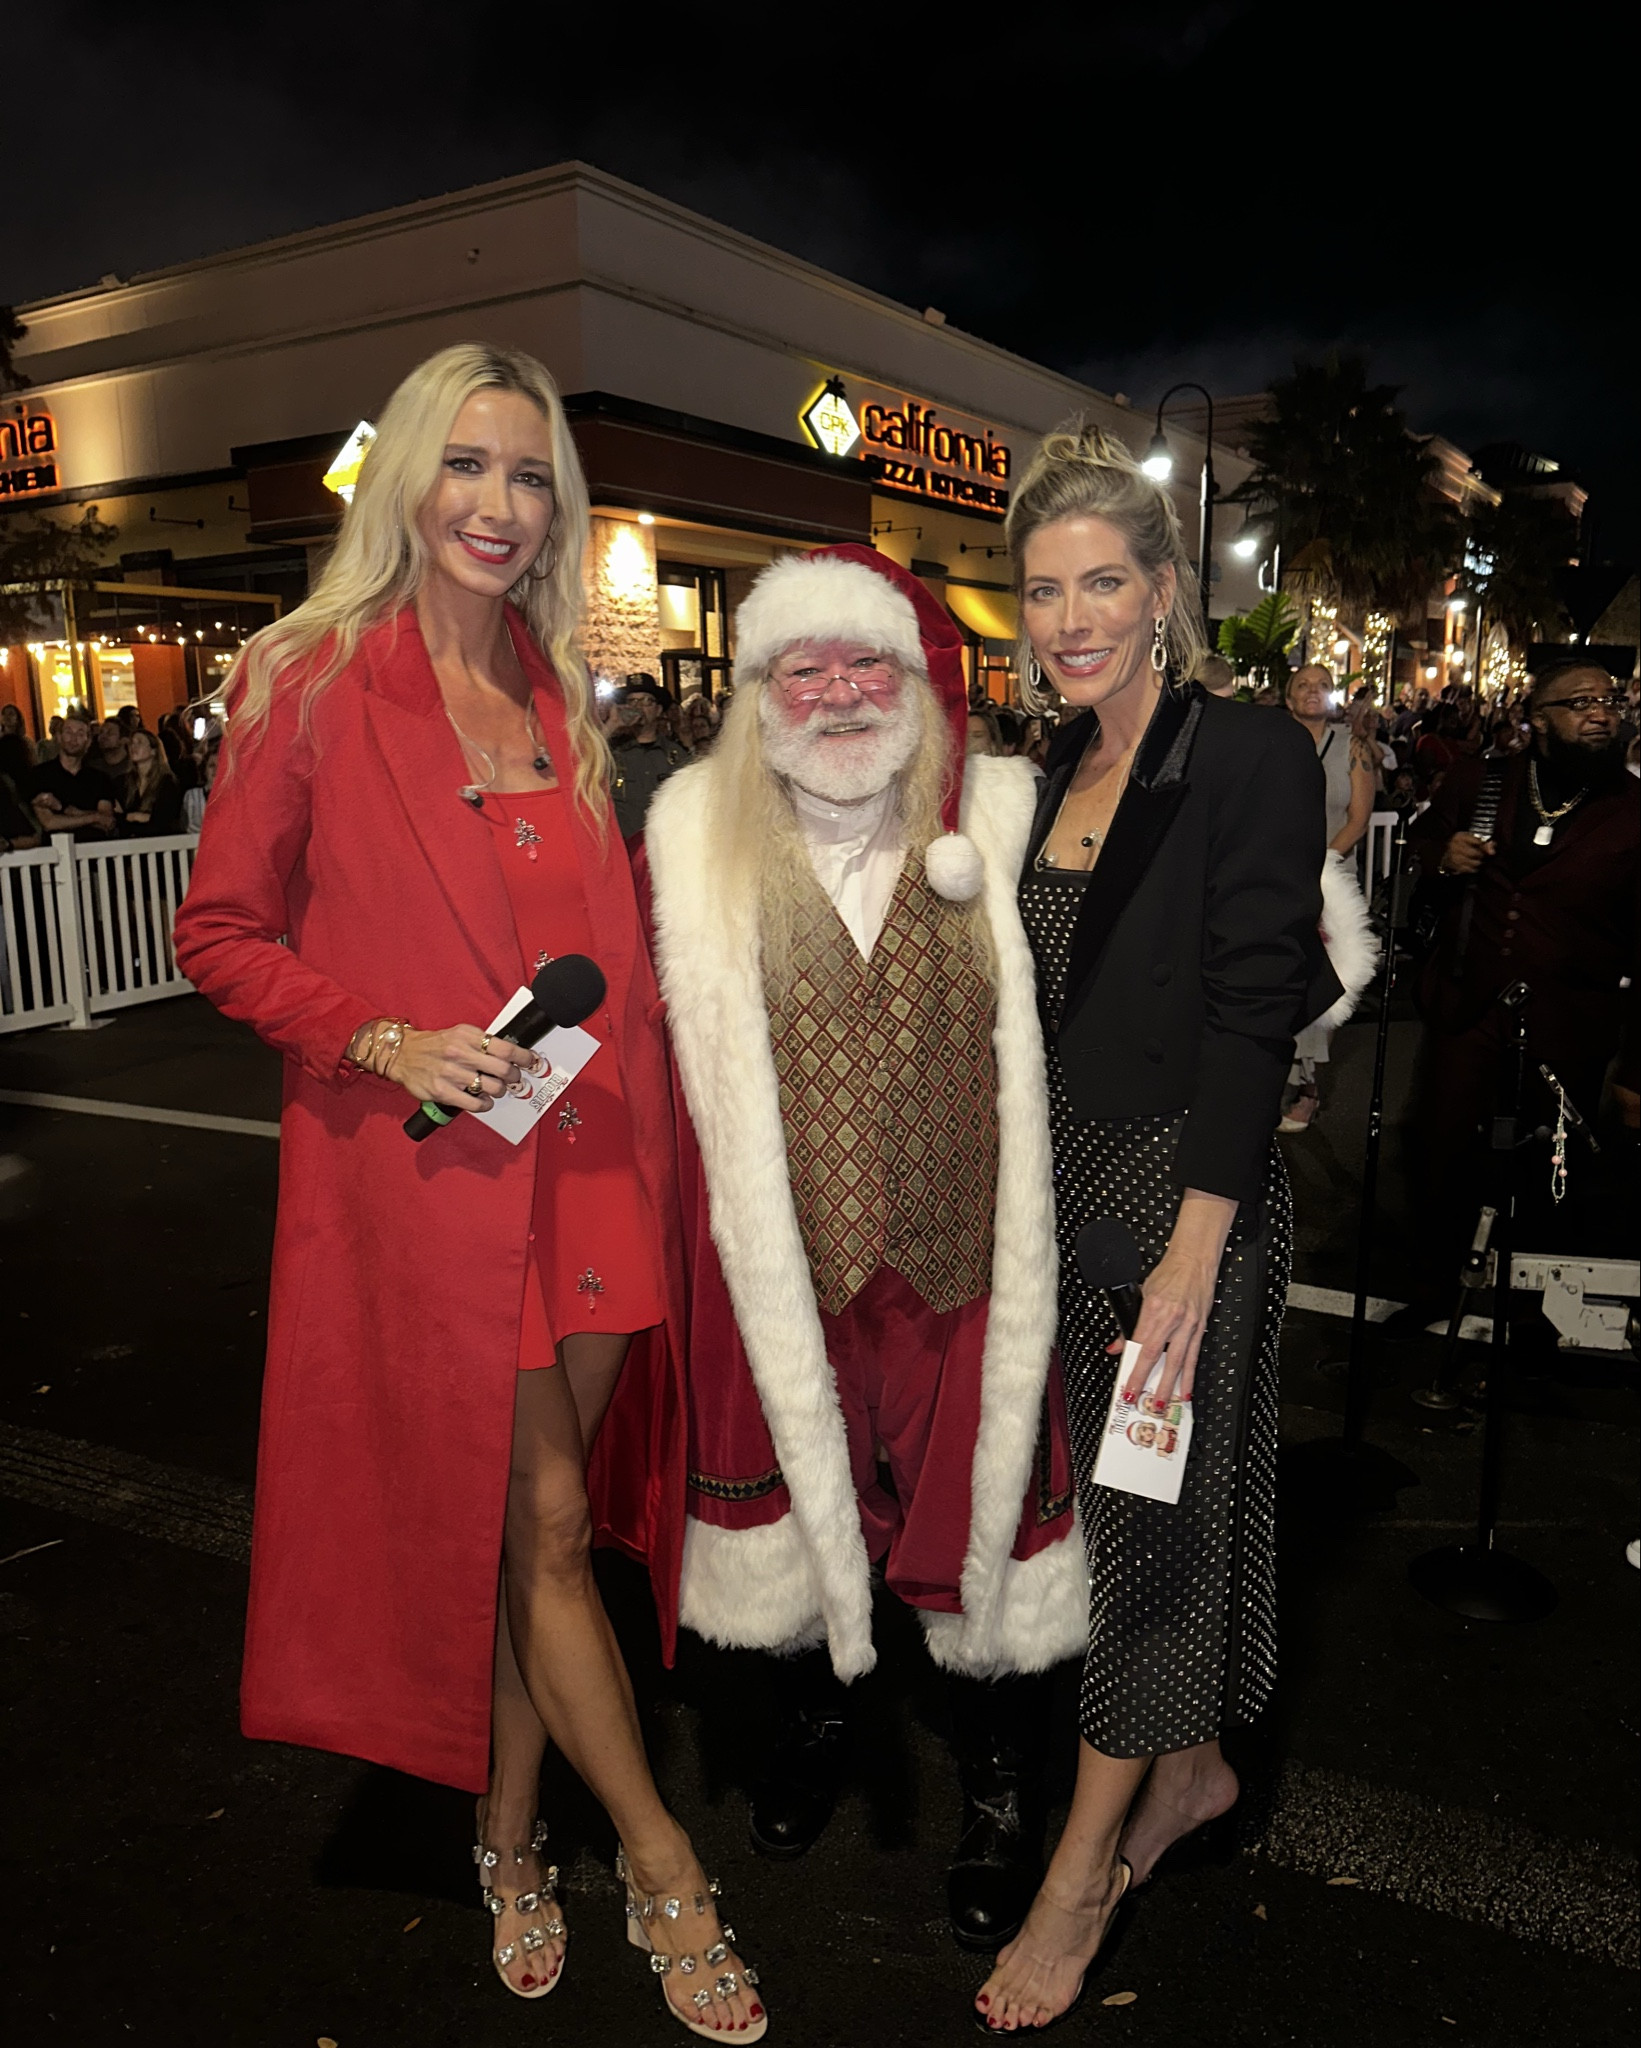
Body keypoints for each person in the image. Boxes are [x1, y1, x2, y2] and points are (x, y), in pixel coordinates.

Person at [172, 343, 766, 2039]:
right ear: (408, 480)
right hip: (439, 1193)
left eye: (530, 477)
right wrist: (376, 1033)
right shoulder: (307, 680)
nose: (500, 507)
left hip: (594, 1170)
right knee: (555, 1525)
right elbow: (215, 934)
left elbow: (616, 956)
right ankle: (662, 1866)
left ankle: (506, 1836)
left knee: (539, 1537)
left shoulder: (560, 691)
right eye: (470, 468)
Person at [641, 546, 1085, 1956]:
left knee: (987, 1526)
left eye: (865, 664)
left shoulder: (1006, 814)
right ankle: (819, 1714)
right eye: (803, 668)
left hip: (964, 1257)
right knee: (790, 1508)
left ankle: (1003, 1776)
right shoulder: (688, 831)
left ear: (916, 680)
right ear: (759, 689)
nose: (837, 694)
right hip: (786, 1256)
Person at [977, 424, 1337, 2033]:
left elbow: (1258, 1003)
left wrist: (1195, 1249)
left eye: (1103, 581)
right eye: (1044, 589)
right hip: (1063, 1208)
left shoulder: (1243, 753)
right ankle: (1186, 1769)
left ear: (1166, 590)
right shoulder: (1047, 771)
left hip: (1173, 1213)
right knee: (1134, 1520)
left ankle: (1076, 1884)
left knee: (1139, 1542)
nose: (1070, 618)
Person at [1396, 658, 1639, 1325]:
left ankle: (1535, 1312)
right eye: (1579, 701)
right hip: (1468, 1003)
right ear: (1536, 719)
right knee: (1439, 1147)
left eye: (1609, 701)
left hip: (1573, 1019)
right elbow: (1422, 835)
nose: (1599, 712)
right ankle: (1430, 1287)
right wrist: (1441, 853)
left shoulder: (1630, 808)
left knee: (1552, 1170)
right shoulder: (1484, 779)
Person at [1277, 666, 1376, 1130]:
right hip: (1276, 876)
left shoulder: (1352, 748)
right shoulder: (1271, 741)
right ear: (1288, 695)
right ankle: (1275, 1073)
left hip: (1331, 879)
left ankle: (1308, 1086)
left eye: (1321, 685)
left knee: (1322, 979)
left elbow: (1357, 819)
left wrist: (1319, 863)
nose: (1312, 692)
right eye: (1302, 685)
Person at [610, 681, 684, 837]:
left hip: (664, 844)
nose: (638, 707)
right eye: (632, 701)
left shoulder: (675, 754)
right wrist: (612, 725)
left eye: (646, 701)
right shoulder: (611, 751)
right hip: (624, 845)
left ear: (658, 710)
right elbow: (578, 761)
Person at [30, 715, 118, 841]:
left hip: (95, 852)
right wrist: (94, 817)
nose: (73, 738)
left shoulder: (100, 778)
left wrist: (63, 809)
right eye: (68, 732)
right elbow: (49, 823)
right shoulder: (40, 775)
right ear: (59, 738)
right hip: (56, 854)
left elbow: (107, 822)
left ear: (88, 742)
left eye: (80, 733)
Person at [120, 727, 184, 835]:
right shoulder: (123, 781)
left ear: (153, 751)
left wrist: (133, 816)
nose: (133, 747)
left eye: (139, 742)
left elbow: (163, 819)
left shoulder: (166, 782)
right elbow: (117, 818)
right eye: (131, 743)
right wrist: (142, 817)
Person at [0, 702, 35, 792]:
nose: (7, 717)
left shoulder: (26, 742)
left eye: (11, 714)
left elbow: (33, 762)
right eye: (4, 714)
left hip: (22, 780)